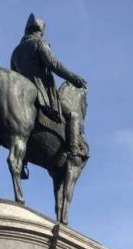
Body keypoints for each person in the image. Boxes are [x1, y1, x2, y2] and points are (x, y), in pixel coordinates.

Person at [10, 13, 88, 177]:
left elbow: (13, 75)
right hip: (41, 92)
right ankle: (73, 151)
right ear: (40, 31)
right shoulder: (40, 44)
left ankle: (22, 160)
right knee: (73, 115)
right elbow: (54, 64)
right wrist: (73, 78)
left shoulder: (15, 52)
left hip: (21, 95)